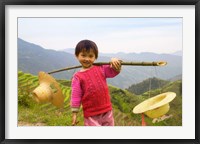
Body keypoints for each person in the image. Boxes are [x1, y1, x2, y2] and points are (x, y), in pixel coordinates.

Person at [70, 39, 122, 126]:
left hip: (107, 110)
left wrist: (115, 62)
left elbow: (114, 71)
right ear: (77, 55)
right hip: (91, 114)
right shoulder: (77, 77)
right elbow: (76, 95)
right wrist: (75, 113)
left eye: (90, 56)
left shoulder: (101, 68)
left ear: (95, 57)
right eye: (83, 55)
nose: (87, 59)